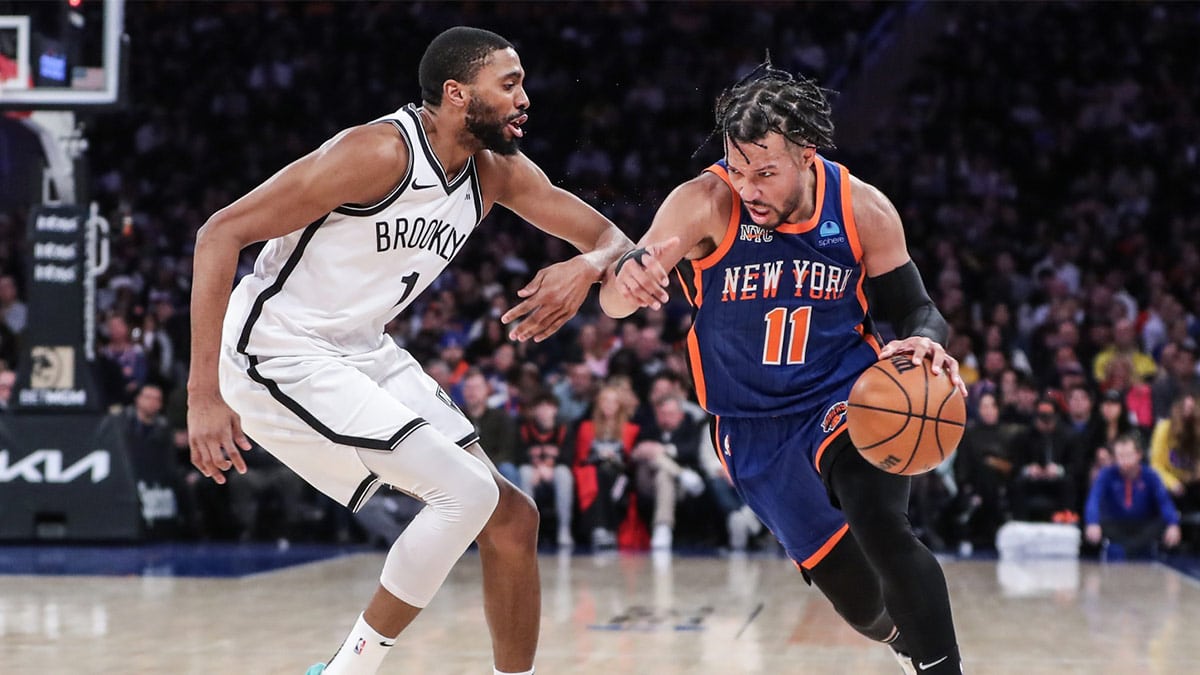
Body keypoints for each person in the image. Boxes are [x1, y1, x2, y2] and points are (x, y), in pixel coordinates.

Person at [187, 27, 632, 675]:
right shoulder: (376, 153)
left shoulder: (496, 173)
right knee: (462, 493)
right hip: (277, 346)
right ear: (456, 94)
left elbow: (610, 237)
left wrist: (587, 266)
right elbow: (219, 232)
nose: (523, 98)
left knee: (511, 518)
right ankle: (348, 669)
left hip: (362, 347)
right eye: (509, 85)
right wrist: (205, 393)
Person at [597, 61, 966, 673]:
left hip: (845, 397)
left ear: (806, 154)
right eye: (738, 169)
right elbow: (615, 295)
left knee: (881, 523)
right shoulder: (705, 203)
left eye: (765, 172)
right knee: (867, 608)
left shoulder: (862, 210)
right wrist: (628, 285)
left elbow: (917, 310)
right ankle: (909, 646)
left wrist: (925, 341)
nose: (749, 188)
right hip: (751, 428)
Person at [1083, 433, 1181, 559]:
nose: (1124, 461)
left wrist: (1173, 523)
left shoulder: (1150, 475)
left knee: (1162, 525)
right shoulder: (1106, 474)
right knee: (1100, 530)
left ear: (1138, 454)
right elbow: (1094, 499)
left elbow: (1164, 501)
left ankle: (1137, 550)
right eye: (1120, 456)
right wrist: (1092, 522)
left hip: (1143, 527)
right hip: (1116, 526)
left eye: (1128, 456)